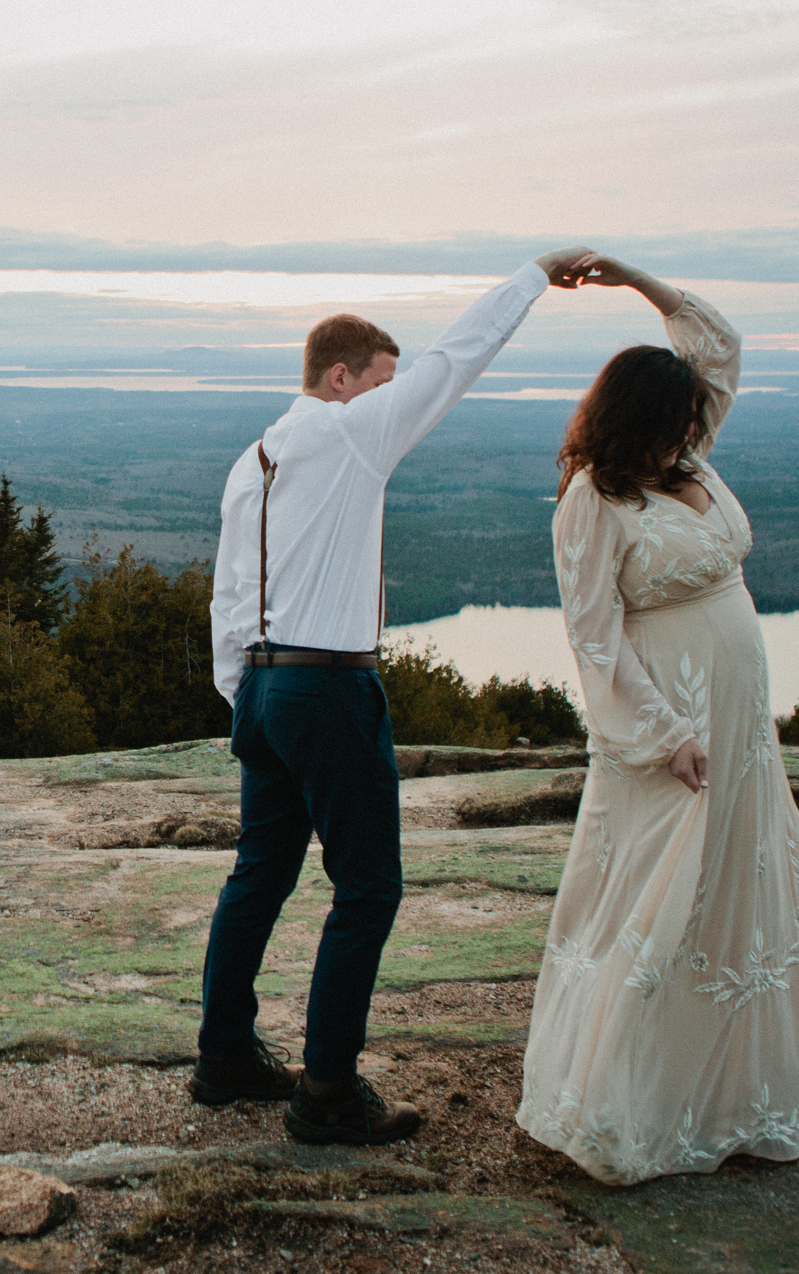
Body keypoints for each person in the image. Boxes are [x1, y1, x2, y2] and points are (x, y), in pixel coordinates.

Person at [515, 254, 799, 1184]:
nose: (686, 440)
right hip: (668, 734)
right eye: (669, 429)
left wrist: (627, 276)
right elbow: (595, 642)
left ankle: (752, 1085)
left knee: (744, 881)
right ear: (630, 427)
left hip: (739, 726)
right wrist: (664, 736)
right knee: (661, 900)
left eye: (691, 425)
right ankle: (638, 1100)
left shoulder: (690, 455)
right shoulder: (594, 500)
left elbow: (719, 346)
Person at [192, 245, 594, 1145]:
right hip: (328, 689)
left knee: (258, 874)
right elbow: (459, 357)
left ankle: (223, 1056)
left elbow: (226, 593)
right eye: (383, 381)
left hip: (260, 684)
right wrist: (531, 276)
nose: (395, 396)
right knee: (368, 888)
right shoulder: (352, 429)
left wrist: (244, 700)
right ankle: (327, 1090)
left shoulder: (251, 458)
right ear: (343, 378)